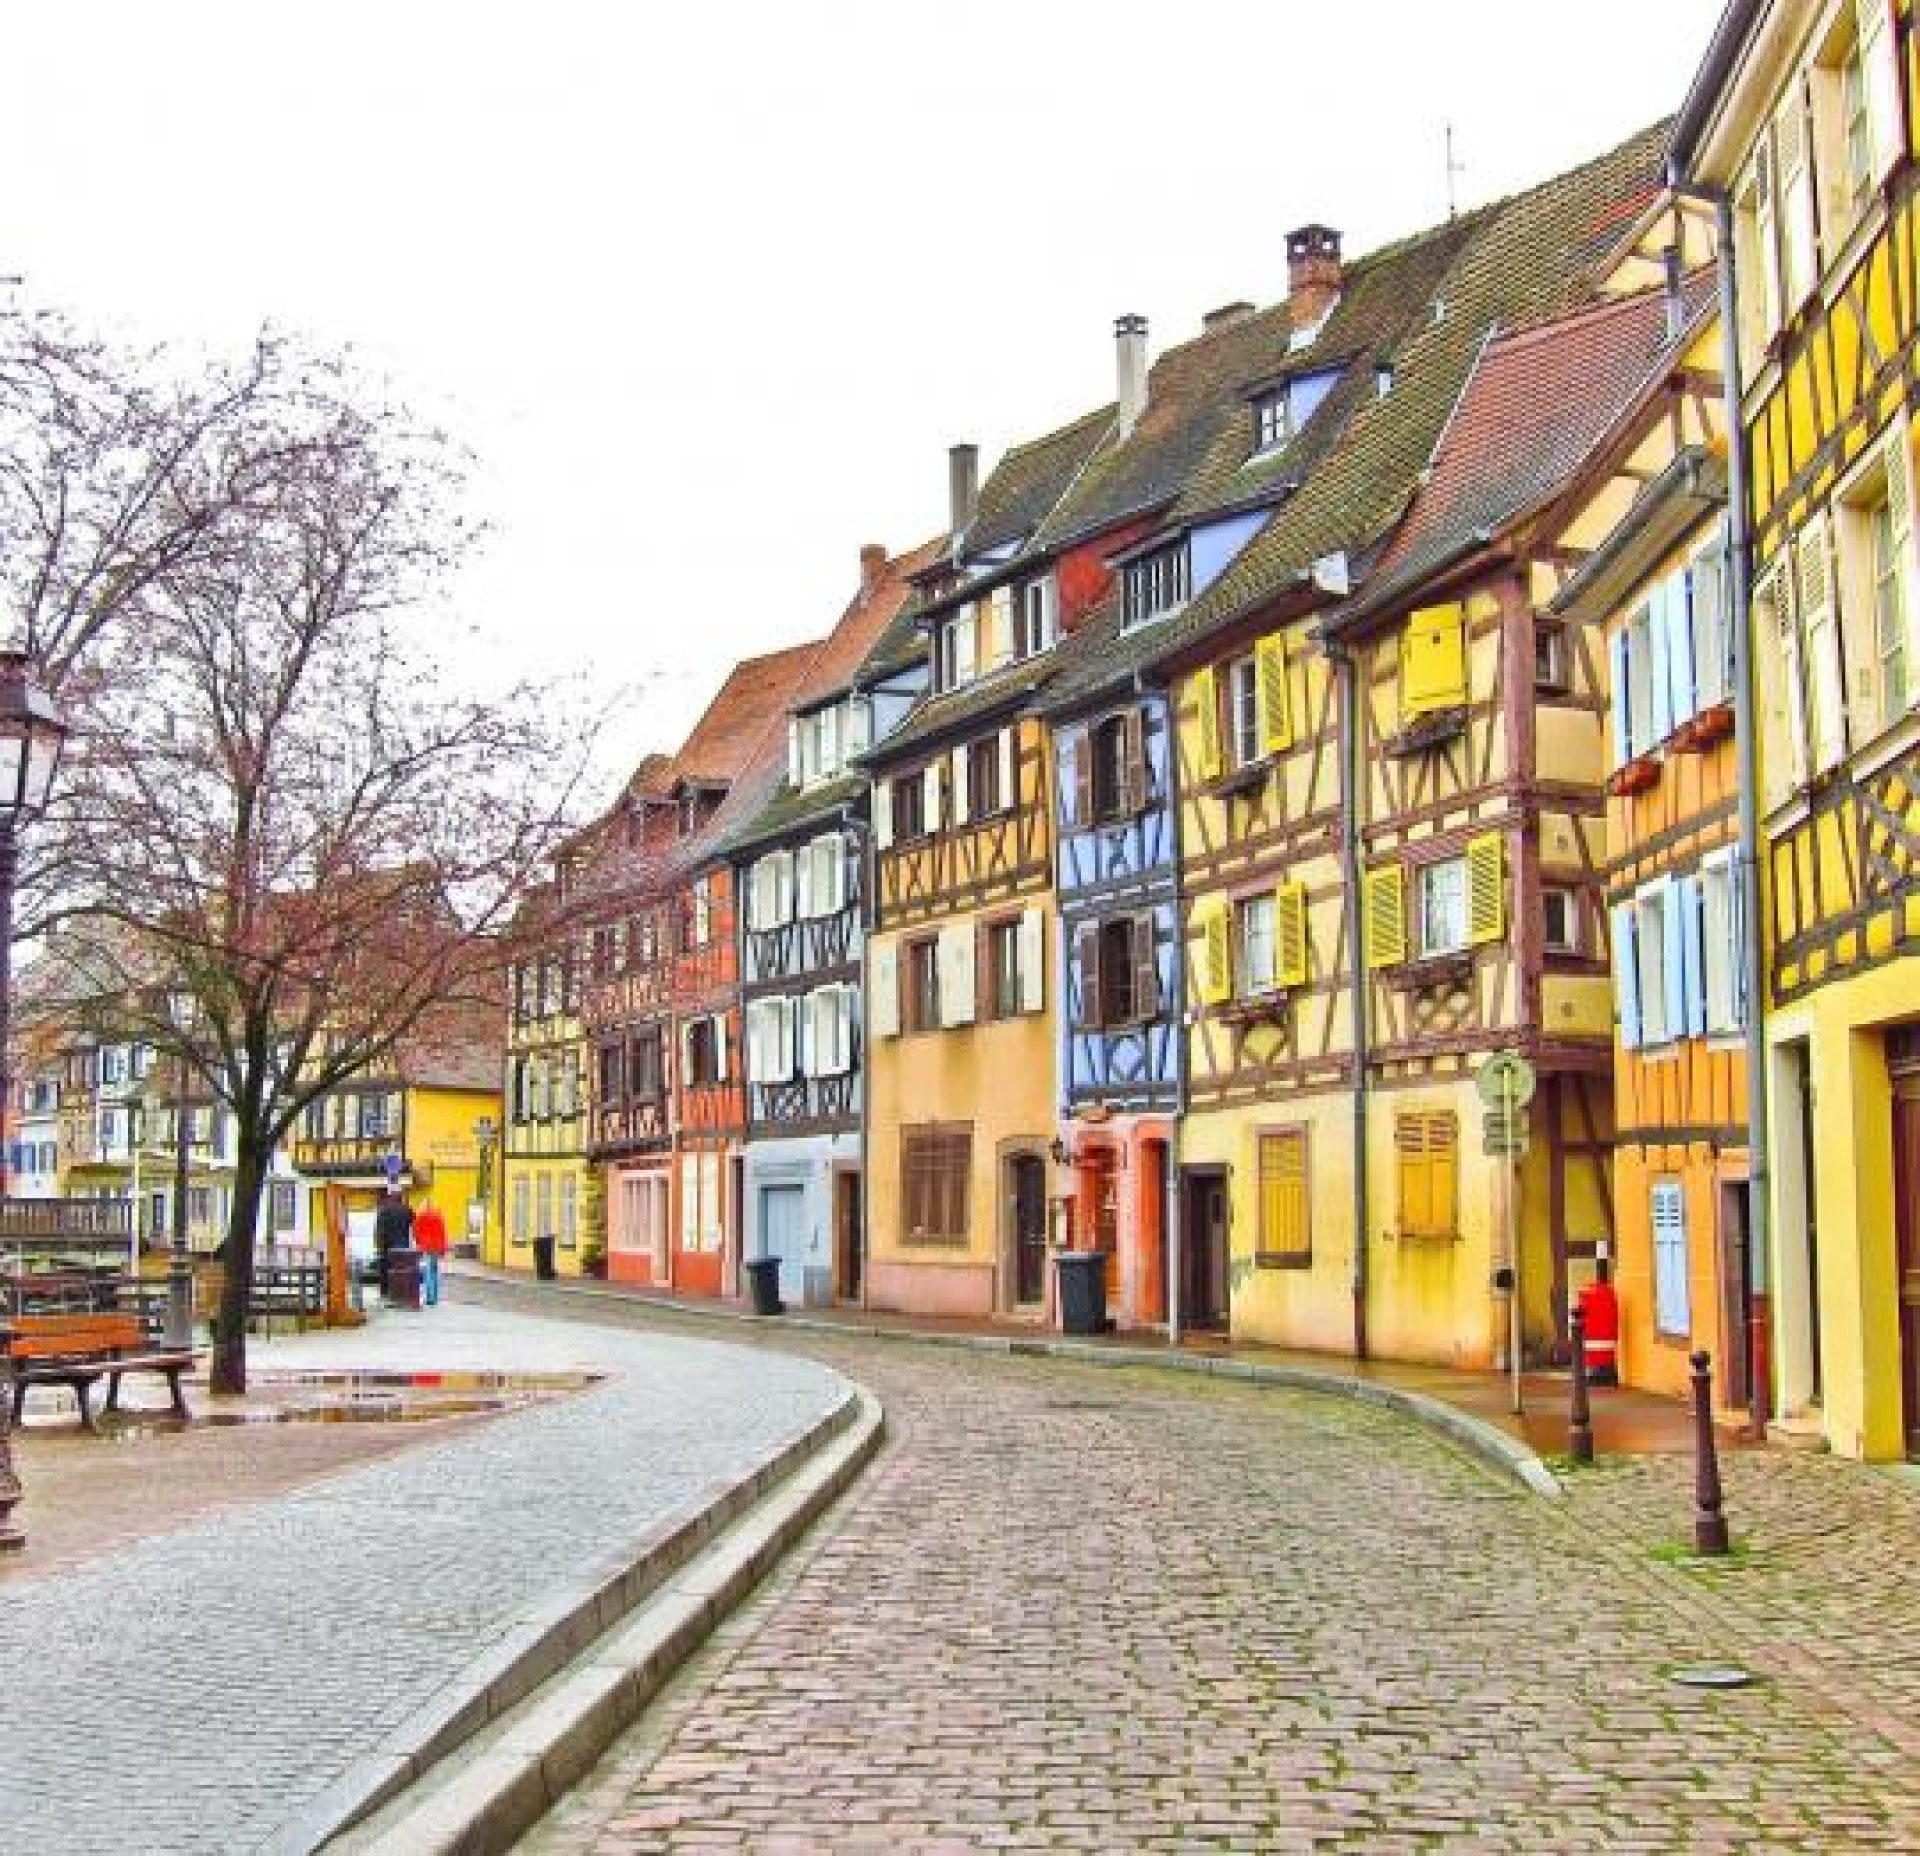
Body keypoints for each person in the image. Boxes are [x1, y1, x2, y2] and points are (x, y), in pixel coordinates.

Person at [372, 1188, 414, 1301]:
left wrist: (378, 1245)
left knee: (385, 1271)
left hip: (387, 1247)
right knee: (401, 1271)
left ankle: (385, 1294)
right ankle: (401, 1293)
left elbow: (379, 1230)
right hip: (403, 1247)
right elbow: (413, 1223)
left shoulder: (384, 1210)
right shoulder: (407, 1210)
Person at [413, 1196, 449, 1306]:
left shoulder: (420, 1217)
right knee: (434, 1270)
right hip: (437, 1247)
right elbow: (443, 1232)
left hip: (426, 1246)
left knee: (427, 1271)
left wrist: (418, 1244)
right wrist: (443, 1248)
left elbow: (416, 1233)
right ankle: (435, 1296)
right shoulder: (438, 1216)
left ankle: (430, 1297)